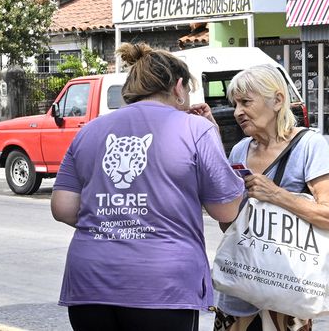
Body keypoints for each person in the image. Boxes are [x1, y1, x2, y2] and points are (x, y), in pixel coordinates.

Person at [50, 42, 244, 331]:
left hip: (90, 282)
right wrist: (213, 134)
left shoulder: (90, 130)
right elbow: (226, 209)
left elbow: (63, 208)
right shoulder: (196, 129)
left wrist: (113, 216)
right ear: (179, 87)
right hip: (162, 287)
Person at [214, 65, 329, 331]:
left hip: (287, 294)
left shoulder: (309, 146)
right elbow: (226, 226)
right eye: (235, 104)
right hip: (239, 289)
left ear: (277, 100)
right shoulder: (241, 150)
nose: (237, 112)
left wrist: (276, 194)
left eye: (246, 102)